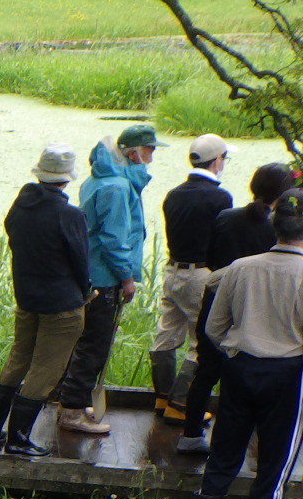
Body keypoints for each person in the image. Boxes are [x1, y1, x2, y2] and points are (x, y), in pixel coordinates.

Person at [189, 191, 303, 499]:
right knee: (276, 456)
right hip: (288, 373)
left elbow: (213, 328)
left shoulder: (240, 268)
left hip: (239, 366)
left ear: (274, 223)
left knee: (225, 446)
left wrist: (234, 350)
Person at [0, 143, 91, 458]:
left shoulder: (20, 206)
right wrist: (85, 293)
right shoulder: (69, 214)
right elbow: (82, 263)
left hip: (27, 299)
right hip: (62, 305)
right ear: (67, 179)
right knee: (45, 370)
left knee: (17, 361)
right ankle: (17, 439)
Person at [181, 162, 298, 454]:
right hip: (255, 308)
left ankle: (190, 434)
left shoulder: (226, 217)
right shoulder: (281, 230)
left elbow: (210, 260)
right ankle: (259, 445)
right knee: (260, 381)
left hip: (217, 302)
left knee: (205, 372)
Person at [55, 124, 163, 434]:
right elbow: (115, 238)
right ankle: (73, 412)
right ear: (133, 152)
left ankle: (70, 402)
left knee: (84, 342)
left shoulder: (101, 179)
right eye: (149, 150)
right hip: (104, 278)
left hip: (91, 275)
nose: (152, 157)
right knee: (94, 346)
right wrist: (127, 278)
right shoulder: (116, 187)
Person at [151, 134, 233, 421]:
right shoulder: (220, 197)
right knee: (200, 340)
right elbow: (221, 240)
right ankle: (181, 405)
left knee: (166, 333)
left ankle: (162, 398)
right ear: (217, 160)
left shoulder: (174, 194)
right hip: (200, 274)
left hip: (171, 270)